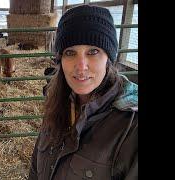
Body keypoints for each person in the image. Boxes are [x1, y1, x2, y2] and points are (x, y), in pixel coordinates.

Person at [28, 5, 137, 180]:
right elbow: (35, 168)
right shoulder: (56, 102)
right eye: (70, 52)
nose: (81, 66)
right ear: (60, 59)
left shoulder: (131, 127)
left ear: (109, 57)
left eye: (93, 51)